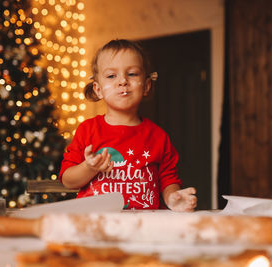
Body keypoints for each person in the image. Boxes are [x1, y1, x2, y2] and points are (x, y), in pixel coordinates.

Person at [59, 39, 197, 211]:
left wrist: (173, 199)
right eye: (111, 76)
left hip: (144, 227)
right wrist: (89, 167)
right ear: (98, 89)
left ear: (146, 86)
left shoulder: (158, 137)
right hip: (97, 224)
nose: (123, 81)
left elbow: (169, 181)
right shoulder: (87, 130)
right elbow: (68, 181)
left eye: (132, 74)